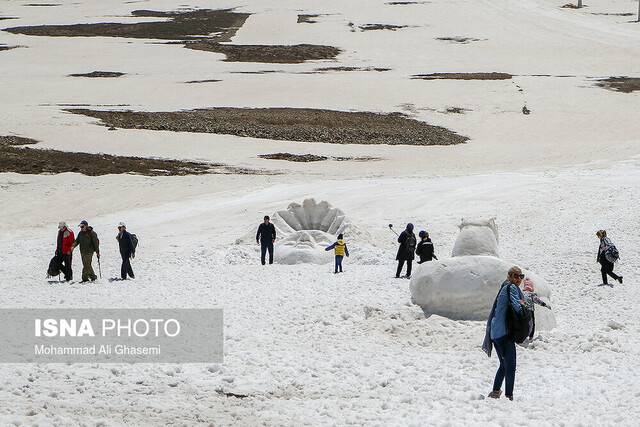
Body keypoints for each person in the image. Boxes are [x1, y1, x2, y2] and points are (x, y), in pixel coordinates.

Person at [482, 266, 526, 401]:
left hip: (495, 333)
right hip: (504, 332)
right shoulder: (511, 288)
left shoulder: (504, 287)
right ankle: (508, 396)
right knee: (511, 366)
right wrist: (524, 304)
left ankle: (495, 392)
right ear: (510, 276)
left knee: (504, 364)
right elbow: (518, 308)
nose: (518, 279)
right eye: (516, 276)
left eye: (521, 276)